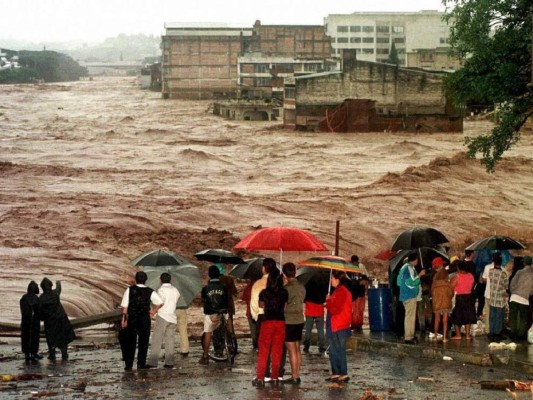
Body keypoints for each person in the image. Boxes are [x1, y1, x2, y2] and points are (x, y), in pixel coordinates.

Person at [120, 271, 163, 371]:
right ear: (145, 280)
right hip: (144, 318)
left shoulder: (130, 290)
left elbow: (125, 307)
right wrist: (153, 311)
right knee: (143, 341)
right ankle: (141, 364)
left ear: (135, 279)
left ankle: (129, 364)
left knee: (131, 341)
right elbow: (160, 302)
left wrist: (124, 319)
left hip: (133, 318)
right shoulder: (150, 291)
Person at [252, 266, 288, 387]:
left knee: (264, 351)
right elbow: (285, 307)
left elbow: (260, 305)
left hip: (267, 322)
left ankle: (260, 377)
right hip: (280, 322)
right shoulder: (284, 293)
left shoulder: (264, 293)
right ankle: (275, 377)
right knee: (277, 351)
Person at [146, 273, 180, 369]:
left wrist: (153, 311)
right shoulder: (175, 290)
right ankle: (169, 362)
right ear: (171, 280)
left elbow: (159, 303)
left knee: (157, 339)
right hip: (172, 317)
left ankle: (153, 362)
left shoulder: (161, 290)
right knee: (170, 340)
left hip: (163, 316)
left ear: (160, 280)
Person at [325, 270, 352, 384]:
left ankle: (343, 373)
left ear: (338, 279)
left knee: (339, 349)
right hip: (337, 324)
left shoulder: (341, 292)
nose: (331, 280)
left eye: (332, 278)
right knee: (333, 349)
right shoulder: (339, 291)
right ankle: (336, 372)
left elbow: (335, 309)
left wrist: (328, 301)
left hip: (338, 324)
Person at [39, 278, 76, 361]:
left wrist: (42, 318)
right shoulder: (55, 293)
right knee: (63, 338)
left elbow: (40, 312)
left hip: (50, 322)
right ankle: (64, 354)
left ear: (42, 288)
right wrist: (58, 282)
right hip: (61, 319)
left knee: (51, 339)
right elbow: (59, 288)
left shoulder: (41, 298)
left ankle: (52, 355)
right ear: (51, 285)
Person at [199, 265, 229, 365]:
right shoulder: (224, 287)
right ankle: (222, 350)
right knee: (223, 330)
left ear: (209, 275)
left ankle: (205, 356)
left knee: (208, 333)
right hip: (222, 312)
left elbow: (203, 301)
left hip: (210, 313)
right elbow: (226, 300)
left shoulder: (205, 288)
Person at [281, 262, 306, 385]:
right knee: (297, 348)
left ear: (284, 274)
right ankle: (297, 373)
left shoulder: (286, 289)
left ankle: (294, 376)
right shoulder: (302, 286)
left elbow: (284, 306)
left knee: (291, 350)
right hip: (300, 320)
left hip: (289, 321)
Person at [397, 253, 426, 344]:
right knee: (410, 317)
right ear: (414, 260)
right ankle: (409, 337)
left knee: (408, 316)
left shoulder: (404, 267)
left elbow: (398, 282)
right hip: (410, 295)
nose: (418, 261)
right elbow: (410, 282)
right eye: (417, 259)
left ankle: (409, 336)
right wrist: (420, 275)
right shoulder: (409, 268)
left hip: (405, 295)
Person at [450, 261, 477, 340]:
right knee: (467, 316)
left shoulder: (457, 276)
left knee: (456, 316)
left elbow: (451, 287)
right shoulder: (471, 275)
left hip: (459, 297)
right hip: (469, 296)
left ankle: (458, 335)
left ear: (458, 268)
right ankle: (468, 335)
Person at [509, 256, 533, 340]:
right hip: (525, 300)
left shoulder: (519, 272)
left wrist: (513, 292)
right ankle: (520, 336)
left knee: (513, 317)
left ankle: (513, 334)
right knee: (523, 319)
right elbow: (532, 291)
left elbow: (512, 284)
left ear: (524, 263)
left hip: (514, 297)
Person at [430, 258, 453, 342]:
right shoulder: (446, 277)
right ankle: (444, 337)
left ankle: (435, 335)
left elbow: (432, 290)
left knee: (437, 318)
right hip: (446, 298)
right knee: (445, 319)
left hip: (436, 299)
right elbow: (450, 290)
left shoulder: (434, 278)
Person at [303, 278, 327, 353]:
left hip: (309, 310)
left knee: (308, 330)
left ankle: (306, 346)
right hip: (319, 310)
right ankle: (321, 346)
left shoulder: (308, 283)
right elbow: (324, 300)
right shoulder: (324, 284)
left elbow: (304, 298)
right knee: (320, 330)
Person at [487, 257, 509, 341]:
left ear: (494, 262)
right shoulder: (503, 274)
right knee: (499, 317)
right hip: (500, 299)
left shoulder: (490, 271)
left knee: (492, 316)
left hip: (492, 297)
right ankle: (497, 334)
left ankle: (491, 332)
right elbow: (506, 285)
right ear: (501, 263)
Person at [20, 281, 42, 362]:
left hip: (26, 321)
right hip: (34, 321)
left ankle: (27, 354)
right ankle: (33, 353)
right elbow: (39, 311)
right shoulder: (36, 299)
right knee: (34, 337)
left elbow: (23, 311)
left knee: (26, 337)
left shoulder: (24, 298)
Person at [480, 252, 501, 333]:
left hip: (488, 293)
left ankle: (488, 330)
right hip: (497, 295)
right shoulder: (502, 268)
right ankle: (496, 330)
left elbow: (484, 280)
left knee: (488, 313)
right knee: (497, 314)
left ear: (492, 259)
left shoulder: (487, 267)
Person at [349, 255, 368, 332]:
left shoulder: (360, 268)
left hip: (357, 293)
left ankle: (356, 325)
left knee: (357, 310)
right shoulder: (353, 269)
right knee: (357, 310)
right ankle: (356, 325)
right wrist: (359, 282)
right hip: (357, 293)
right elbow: (364, 280)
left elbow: (365, 280)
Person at [241, 279, 258, 351]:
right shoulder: (261, 286)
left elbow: (243, 298)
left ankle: (255, 344)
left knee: (253, 329)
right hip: (259, 312)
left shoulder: (248, 287)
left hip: (250, 312)